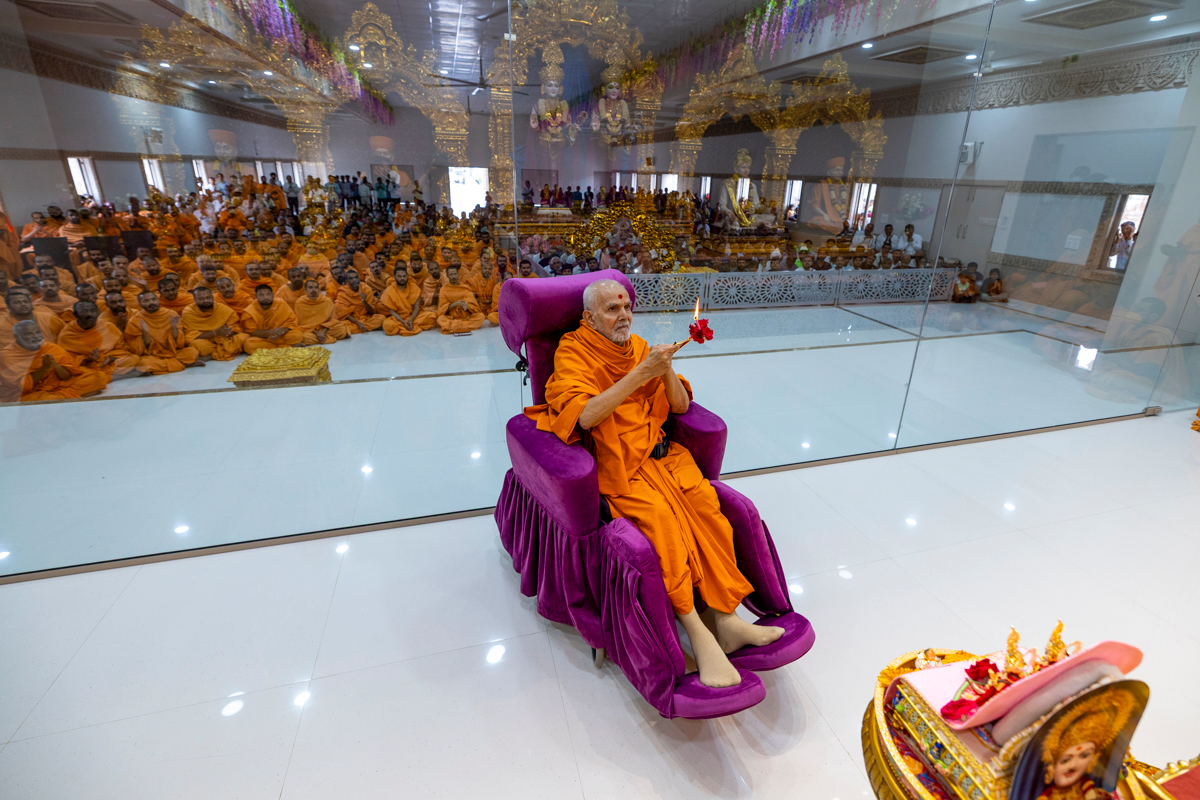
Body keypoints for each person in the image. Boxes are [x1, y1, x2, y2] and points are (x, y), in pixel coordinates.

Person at [524, 279, 783, 688]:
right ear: (588, 318)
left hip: (664, 458)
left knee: (709, 512)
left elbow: (679, 405)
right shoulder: (572, 350)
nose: (624, 315)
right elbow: (586, 415)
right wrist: (641, 373)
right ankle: (697, 633)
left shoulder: (639, 347)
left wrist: (664, 370)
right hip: (621, 467)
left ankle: (727, 619)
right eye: (612, 309)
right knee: (664, 525)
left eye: (627, 306)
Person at [0, 319, 107, 402]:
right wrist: (44, 369)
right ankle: (69, 397)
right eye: (29, 334)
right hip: (30, 393)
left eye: (38, 332)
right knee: (45, 399)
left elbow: (67, 376)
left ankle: (62, 398)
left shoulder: (50, 348)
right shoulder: (7, 355)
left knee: (99, 377)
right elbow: (20, 387)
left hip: (58, 386)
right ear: (17, 337)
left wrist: (56, 365)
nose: (35, 336)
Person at [56, 299, 140, 380]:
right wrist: (89, 359)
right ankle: (118, 376)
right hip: (89, 365)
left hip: (109, 361)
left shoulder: (107, 326)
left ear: (97, 312)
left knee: (133, 358)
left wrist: (112, 358)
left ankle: (106, 375)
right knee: (80, 372)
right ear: (75, 315)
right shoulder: (67, 334)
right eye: (84, 311)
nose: (90, 314)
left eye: (93, 311)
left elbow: (122, 349)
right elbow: (67, 361)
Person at [125, 290, 202, 373]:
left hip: (174, 352)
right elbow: (137, 349)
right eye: (146, 301)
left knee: (192, 352)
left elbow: (180, 343)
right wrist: (145, 333)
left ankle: (165, 366)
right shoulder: (135, 320)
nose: (151, 302)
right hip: (153, 355)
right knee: (144, 363)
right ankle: (182, 363)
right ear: (140, 304)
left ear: (158, 300)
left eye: (153, 299)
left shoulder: (170, 313)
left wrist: (174, 328)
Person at [181, 285, 248, 360]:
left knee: (244, 337)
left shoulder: (221, 308)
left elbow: (236, 326)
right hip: (206, 341)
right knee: (196, 344)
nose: (206, 300)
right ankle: (225, 351)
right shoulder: (189, 312)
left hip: (224, 338)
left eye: (208, 297)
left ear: (212, 297)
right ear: (194, 300)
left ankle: (212, 355)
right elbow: (190, 335)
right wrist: (214, 333)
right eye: (201, 299)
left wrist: (228, 332)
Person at [240, 284, 302, 352]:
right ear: (256, 296)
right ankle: (286, 347)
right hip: (262, 338)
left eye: (268, 294)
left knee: (297, 335)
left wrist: (281, 332)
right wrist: (271, 332)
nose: (265, 297)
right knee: (248, 345)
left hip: (280, 335)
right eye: (261, 295)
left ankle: (274, 348)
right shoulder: (250, 311)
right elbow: (251, 332)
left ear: (272, 295)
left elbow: (291, 321)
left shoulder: (280, 303)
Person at [379, 265, 434, 335]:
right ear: (395, 277)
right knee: (387, 325)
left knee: (432, 316)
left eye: (404, 276)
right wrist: (402, 322)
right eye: (399, 276)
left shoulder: (414, 287)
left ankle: (406, 325)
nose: (402, 278)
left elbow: (416, 308)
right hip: (398, 318)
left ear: (407, 276)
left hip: (412, 316)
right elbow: (392, 311)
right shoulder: (389, 290)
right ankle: (407, 325)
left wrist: (411, 320)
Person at [295, 279, 351, 344]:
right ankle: (322, 337)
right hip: (309, 330)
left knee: (342, 329)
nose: (313, 290)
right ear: (305, 290)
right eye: (310, 287)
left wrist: (323, 331)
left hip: (325, 328)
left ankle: (319, 338)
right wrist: (316, 333)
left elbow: (333, 319)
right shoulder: (300, 303)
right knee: (300, 336)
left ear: (319, 290)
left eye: (316, 287)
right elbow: (302, 324)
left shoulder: (326, 301)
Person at [436, 265, 485, 333]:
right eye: (451, 275)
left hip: (465, 315)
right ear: (447, 276)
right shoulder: (443, 289)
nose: (453, 276)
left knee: (481, 316)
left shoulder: (465, 288)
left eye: (455, 274)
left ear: (458, 274)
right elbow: (442, 309)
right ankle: (465, 326)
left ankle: (453, 326)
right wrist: (454, 304)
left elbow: (474, 306)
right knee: (440, 319)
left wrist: (467, 307)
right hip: (452, 317)